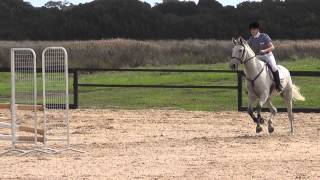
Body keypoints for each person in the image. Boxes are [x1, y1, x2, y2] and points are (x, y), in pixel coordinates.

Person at [248, 22, 282, 92]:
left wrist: (264, 51)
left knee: (274, 67)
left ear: (257, 30)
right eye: (251, 30)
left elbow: (272, 47)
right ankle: (250, 86)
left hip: (267, 55)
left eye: (253, 30)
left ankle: (278, 85)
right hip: (258, 57)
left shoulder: (264, 36)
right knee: (250, 67)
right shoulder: (251, 39)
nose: (252, 31)